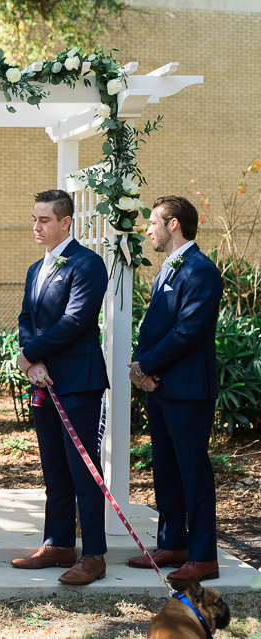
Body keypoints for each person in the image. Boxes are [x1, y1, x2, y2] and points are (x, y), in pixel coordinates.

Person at [12, 189, 109, 585]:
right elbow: (25, 317)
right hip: (43, 379)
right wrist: (32, 359)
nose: (37, 226)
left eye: (44, 220)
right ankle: (58, 543)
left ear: (65, 222)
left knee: (83, 469)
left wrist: (30, 354)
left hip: (77, 382)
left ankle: (96, 555)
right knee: (54, 466)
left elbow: (75, 321)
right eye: (34, 219)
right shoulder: (37, 268)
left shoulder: (88, 265)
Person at [127, 195, 223, 586]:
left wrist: (145, 366)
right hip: (161, 386)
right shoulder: (167, 268)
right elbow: (154, 327)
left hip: (187, 390)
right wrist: (140, 370)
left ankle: (203, 557)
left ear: (173, 224)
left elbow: (187, 332)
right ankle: (173, 543)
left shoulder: (201, 270)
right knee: (164, 469)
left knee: (193, 473)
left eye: (153, 222)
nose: (147, 229)